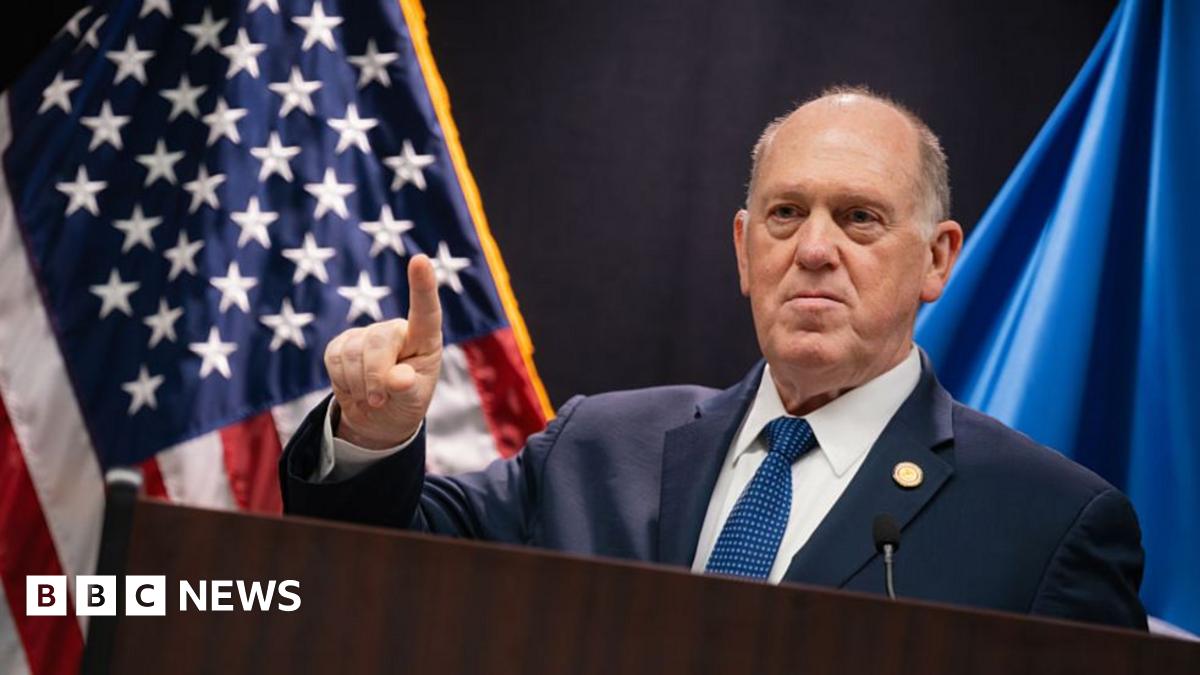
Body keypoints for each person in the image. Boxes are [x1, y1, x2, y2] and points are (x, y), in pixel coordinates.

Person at [279, 86, 1147, 629]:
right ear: (743, 249)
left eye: (859, 218)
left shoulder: (1049, 525)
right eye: (784, 214)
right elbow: (380, 573)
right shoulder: (597, 446)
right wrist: (374, 435)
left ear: (937, 258)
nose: (814, 250)